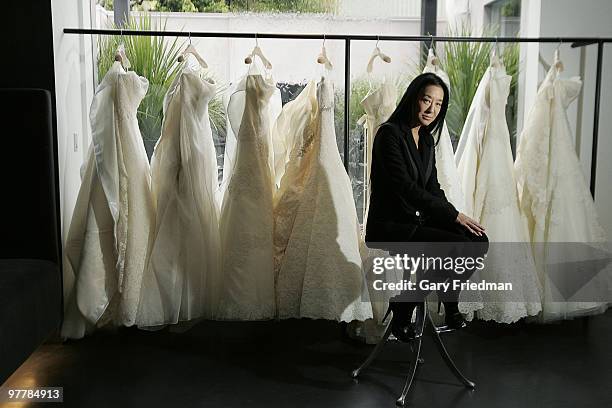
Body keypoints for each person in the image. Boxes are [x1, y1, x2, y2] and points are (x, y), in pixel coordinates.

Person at [365, 72, 489, 342]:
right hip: (390, 225)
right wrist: (453, 215)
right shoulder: (389, 135)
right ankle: (405, 306)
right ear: (413, 98)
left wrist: (455, 218)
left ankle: (445, 300)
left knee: (477, 240)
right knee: (455, 247)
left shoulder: (427, 140)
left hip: (416, 220)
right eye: (426, 100)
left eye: (438, 104)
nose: (431, 109)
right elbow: (406, 189)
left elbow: (432, 188)